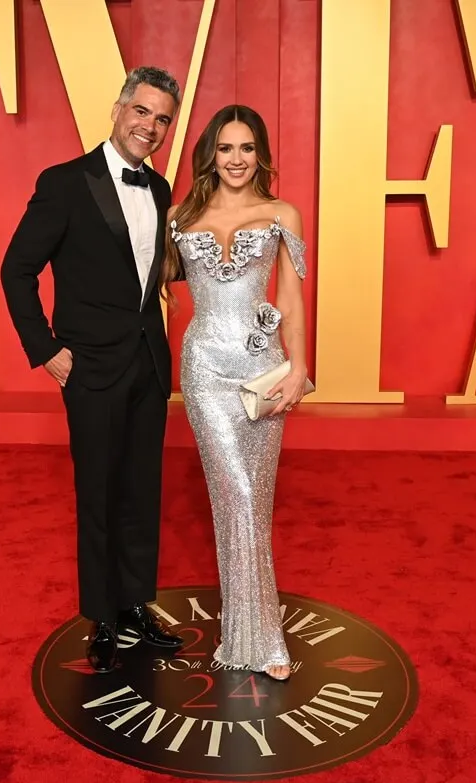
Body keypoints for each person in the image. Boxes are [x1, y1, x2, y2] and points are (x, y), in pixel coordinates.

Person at [0, 67, 186, 674]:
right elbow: (16, 270)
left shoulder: (159, 191)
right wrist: (45, 348)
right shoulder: (64, 184)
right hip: (90, 368)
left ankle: (135, 605)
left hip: (148, 364)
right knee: (99, 492)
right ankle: (102, 618)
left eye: (161, 118)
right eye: (141, 111)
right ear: (117, 108)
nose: (150, 127)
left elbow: (157, 273)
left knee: (141, 492)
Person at [163, 105, 310, 682]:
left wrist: (299, 368)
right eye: (226, 149)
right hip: (204, 371)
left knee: (255, 500)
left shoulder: (282, 215)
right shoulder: (179, 216)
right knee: (238, 495)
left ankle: (249, 629)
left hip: (262, 370)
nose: (236, 160)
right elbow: (149, 283)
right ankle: (262, 639)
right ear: (210, 155)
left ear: (261, 155)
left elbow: (292, 301)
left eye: (247, 148)